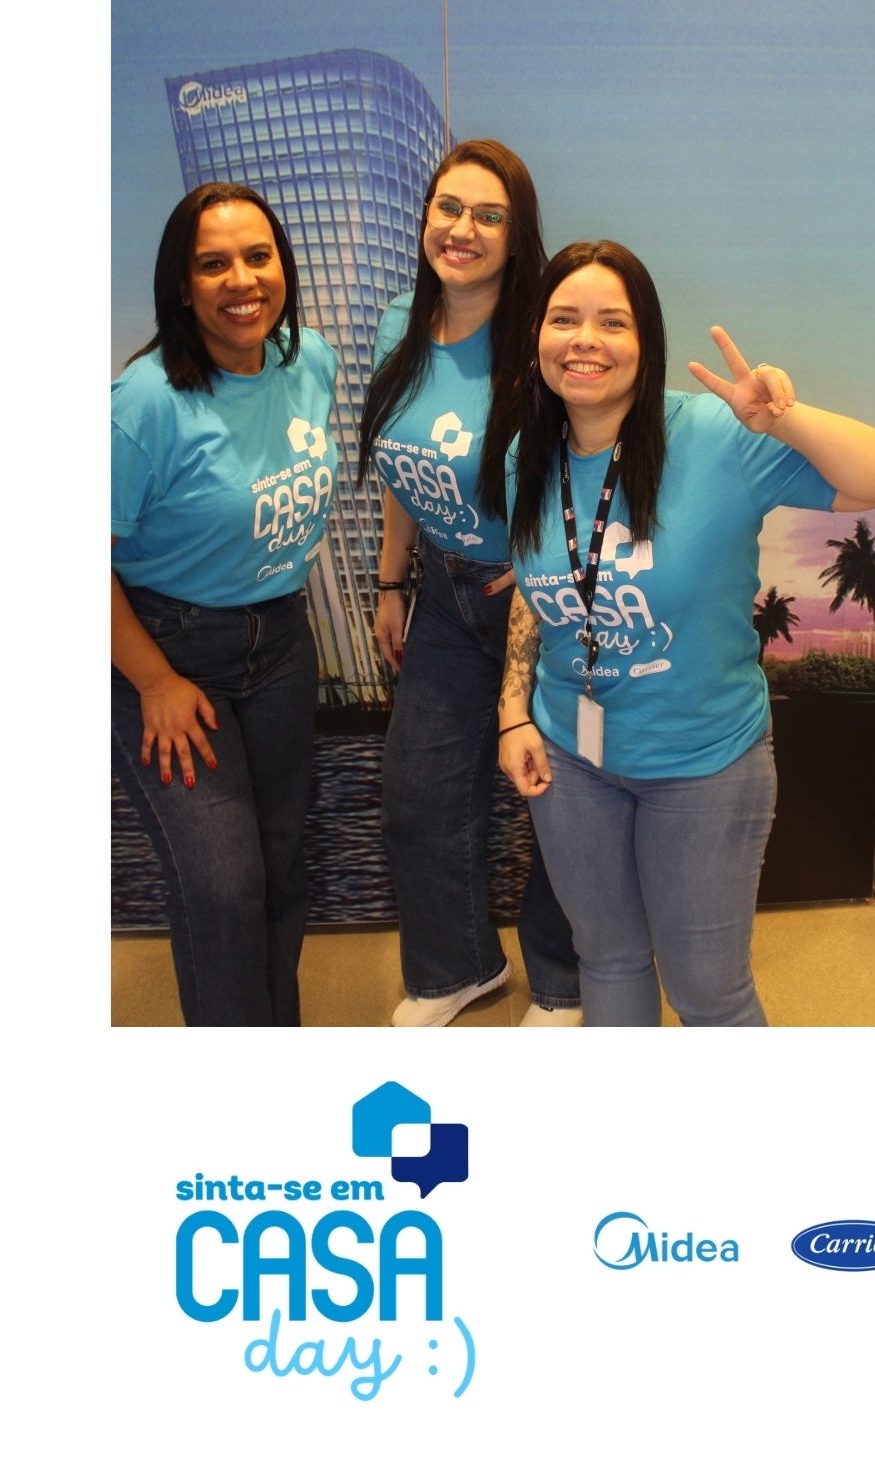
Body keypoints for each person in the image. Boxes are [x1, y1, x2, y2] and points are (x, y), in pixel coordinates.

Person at [498, 241, 875, 1026]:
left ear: (646, 341)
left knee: (706, 992)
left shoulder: (716, 436)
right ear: (537, 337)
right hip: (573, 757)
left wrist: (784, 419)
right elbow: (540, 588)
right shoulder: (529, 453)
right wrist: (513, 711)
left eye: (612, 322)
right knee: (607, 959)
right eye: (564, 319)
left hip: (703, 765)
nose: (585, 339)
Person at [358, 140, 581, 1027]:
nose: (463, 229)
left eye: (490, 216)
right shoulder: (398, 327)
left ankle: (562, 985)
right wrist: (391, 583)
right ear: (425, 217)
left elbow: (564, 495)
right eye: (449, 208)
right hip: (445, 599)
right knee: (419, 794)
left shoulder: (541, 348)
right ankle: (457, 968)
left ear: (516, 236)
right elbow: (401, 465)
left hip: (539, 600)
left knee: (555, 799)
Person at [112, 183, 338, 1026]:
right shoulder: (145, 403)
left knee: (280, 867)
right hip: (168, 651)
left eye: (257, 256)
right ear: (182, 285)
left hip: (279, 642)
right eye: (213, 265)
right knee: (224, 885)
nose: (241, 281)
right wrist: (154, 682)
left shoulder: (309, 362)